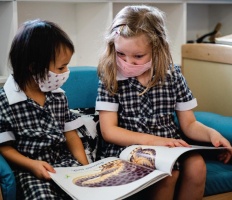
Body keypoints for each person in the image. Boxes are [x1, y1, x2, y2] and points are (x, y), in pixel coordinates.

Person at [95, 5, 232, 200]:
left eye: (138, 56)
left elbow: (189, 124)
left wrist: (212, 134)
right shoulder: (110, 76)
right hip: (131, 147)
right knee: (168, 174)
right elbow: (109, 131)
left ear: (157, 48)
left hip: (171, 147)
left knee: (197, 166)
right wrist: (155, 142)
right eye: (121, 54)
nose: (128, 62)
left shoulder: (173, 75)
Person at [0, 19, 89, 199]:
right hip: (30, 170)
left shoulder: (58, 95)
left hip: (65, 165)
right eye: (61, 67)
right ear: (34, 67)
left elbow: (70, 134)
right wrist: (32, 165)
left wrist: (85, 167)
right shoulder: (5, 101)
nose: (66, 72)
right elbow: (4, 147)